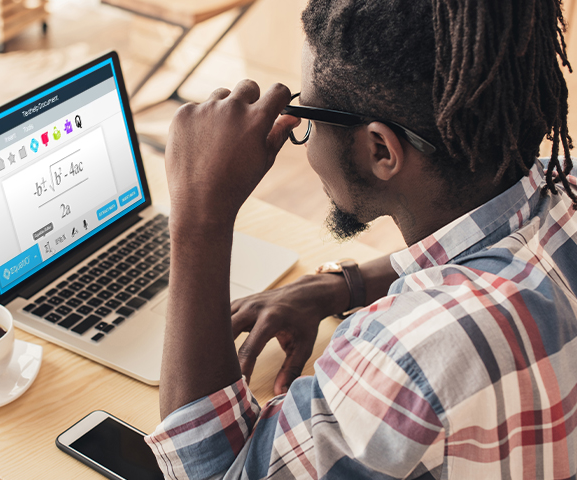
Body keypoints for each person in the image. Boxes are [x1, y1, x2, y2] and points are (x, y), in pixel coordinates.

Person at [146, 0, 577, 478]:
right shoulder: (566, 188)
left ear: (379, 149)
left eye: (306, 116)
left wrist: (198, 217)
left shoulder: (409, 355)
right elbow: (486, 248)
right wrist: (346, 284)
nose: (302, 135)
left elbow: (212, 472)